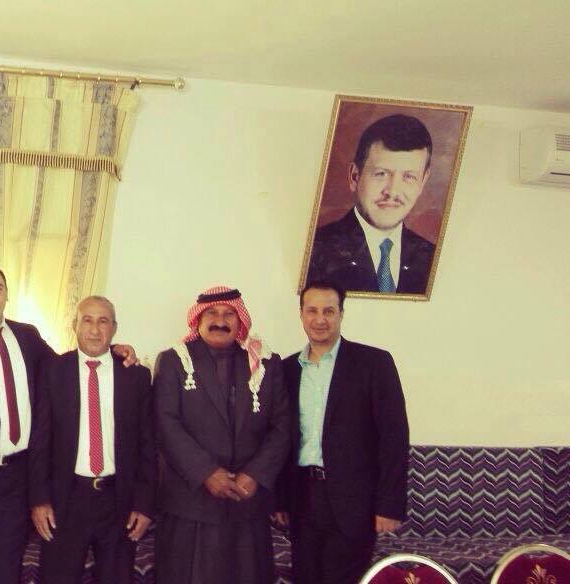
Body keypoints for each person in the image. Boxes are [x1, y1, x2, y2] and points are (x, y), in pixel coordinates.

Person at [0, 264, 137, 584]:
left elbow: (70, 366)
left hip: (17, 481)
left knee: (6, 571)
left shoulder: (27, 336)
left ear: (7, 294)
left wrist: (112, 351)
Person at [275, 281, 410, 584]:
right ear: (301, 314)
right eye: (312, 311)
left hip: (355, 501)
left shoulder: (374, 363)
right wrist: (280, 499)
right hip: (302, 497)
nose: (320, 319)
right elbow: (282, 438)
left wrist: (389, 505)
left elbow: (394, 438)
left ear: (341, 314)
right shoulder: (286, 370)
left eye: (329, 311)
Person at [153, 285, 290, 584]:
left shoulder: (266, 363)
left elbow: (282, 427)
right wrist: (207, 473)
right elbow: (165, 424)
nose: (220, 321)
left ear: (240, 321)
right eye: (212, 314)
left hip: (247, 503)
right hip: (191, 503)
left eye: (229, 314)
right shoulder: (174, 361)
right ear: (198, 320)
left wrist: (254, 475)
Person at [28, 296, 155, 584]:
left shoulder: (136, 376)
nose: (95, 330)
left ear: (114, 328)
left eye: (103, 321)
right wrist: (39, 500)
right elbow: (40, 441)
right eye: (87, 320)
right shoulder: (52, 371)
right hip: (66, 499)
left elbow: (147, 445)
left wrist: (145, 503)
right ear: (75, 325)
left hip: (119, 501)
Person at [306, 114, 436, 294]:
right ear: (354, 177)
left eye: (409, 176)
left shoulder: (433, 259)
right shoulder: (313, 251)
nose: (392, 191)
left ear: (422, 182)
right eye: (381, 174)